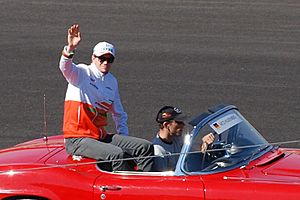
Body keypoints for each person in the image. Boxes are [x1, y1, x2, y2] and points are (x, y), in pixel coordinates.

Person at [59, 24, 154, 171]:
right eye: (102, 58)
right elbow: (65, 67)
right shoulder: (81, 73)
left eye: (110, 59)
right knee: (117, 154)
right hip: (77, 139)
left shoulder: (112, 81)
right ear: (93, 57)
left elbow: (119, 114)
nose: (105, 62)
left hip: (99, 136)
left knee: (145, 147)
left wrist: (124, 138)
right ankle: (125, 191)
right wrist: (70, 48)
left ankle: (145, 187)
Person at [152, 106, 215, 171]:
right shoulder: (158, 150)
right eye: (179, 122)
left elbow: (197, 151)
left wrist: (205, 143)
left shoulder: (177, 139)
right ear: (166, 125)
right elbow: (164, 178)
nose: (183, 125)